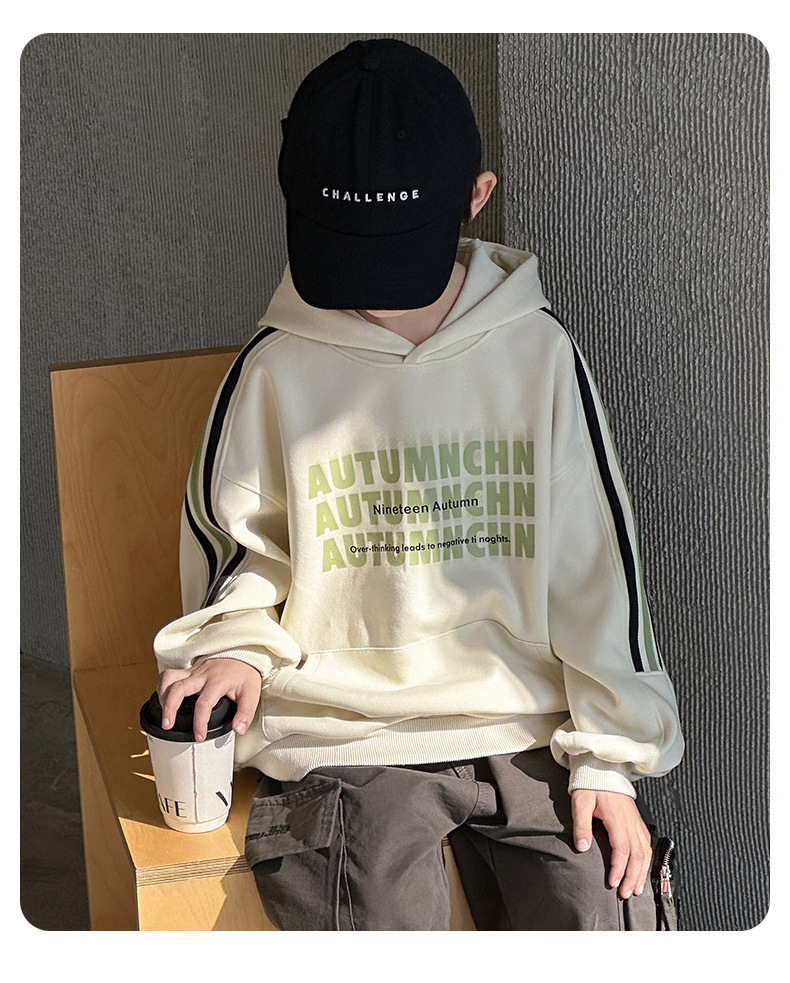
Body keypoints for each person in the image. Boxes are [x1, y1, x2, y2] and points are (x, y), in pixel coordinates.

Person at [153, 37, 684, 931]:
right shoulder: (277, 366)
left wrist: (608, 755)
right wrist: (238, 644)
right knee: (369, 916)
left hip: (526, 722)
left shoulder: (538, 354)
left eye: (395, 254)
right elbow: (244, 546)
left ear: (477, 196)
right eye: (346, 253)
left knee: (605, 904)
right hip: (345, 734)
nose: (370, 291)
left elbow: (597, 567)